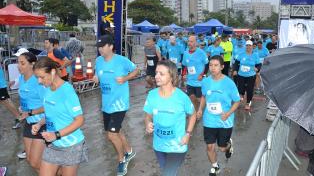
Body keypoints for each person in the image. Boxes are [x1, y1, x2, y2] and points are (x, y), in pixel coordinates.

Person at [32, 57, 88, 176]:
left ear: (52, 72)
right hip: (53, 144)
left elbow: (79, 120)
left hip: (71, 145)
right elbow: (51, 115)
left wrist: (56, 134)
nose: (39, 81)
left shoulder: (67, 91)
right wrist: (39, 124)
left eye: (42, 77)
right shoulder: (47, 90)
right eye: (37, 77)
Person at [93, 35, 139, 176]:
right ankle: (129, 151)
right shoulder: (98, 61)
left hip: (119, 104)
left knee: (111, 135)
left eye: (103, 46)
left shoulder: (121, 60)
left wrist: (125, 78)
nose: (100, 49)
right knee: (117, 131)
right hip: (106, 104)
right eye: (99, 47)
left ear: (111, 46)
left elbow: (136, 70)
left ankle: (122, 160)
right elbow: (98, 73)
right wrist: (96, 77)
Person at [144, 60, 196, 175]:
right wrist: (148, 123)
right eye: (156, 73)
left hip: (177, 146)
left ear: (171, 76)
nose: (156, 76)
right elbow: (148, 115)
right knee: (168, 172)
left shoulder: (182, 97)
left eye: (161, 74)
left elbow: (193, 114)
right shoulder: (152, 95)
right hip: (159, 146)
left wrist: (188, 133)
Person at [196, 56, 241, 176]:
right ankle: (215, 166)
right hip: (209, 120)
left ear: (222, 67)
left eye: (216, 65)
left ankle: (228, 146)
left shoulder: (229, 83)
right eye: (210, 65)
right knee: (210, 147)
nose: (213, 68)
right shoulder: (205, 81)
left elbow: (237, 101)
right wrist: (200, 109)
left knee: (221, 148)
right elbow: (204, 96)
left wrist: (228, 113)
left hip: (224, 120)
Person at [15, 50, 46, 173]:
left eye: (22, 63)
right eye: (18, 63)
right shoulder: (21, 78)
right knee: (30, 160)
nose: (18, 66)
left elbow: (49, 106)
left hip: (42, 123)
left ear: (32, 64)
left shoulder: (39, 81)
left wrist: (30, 112)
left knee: (35, 161)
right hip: (28, 122)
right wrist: (22, 108)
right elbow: (25, 97)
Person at [182, 35, 209, 114]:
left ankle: (200, 110)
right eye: (188, 41)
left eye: (191, 41)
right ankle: (195, 112)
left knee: (199, 99)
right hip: (190, 81)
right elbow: (184, 65)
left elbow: (207, 65)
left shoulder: (201, 52)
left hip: (199, 81)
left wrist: (202, 75)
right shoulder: (185, 53)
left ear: (196, 43)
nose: (189, 43)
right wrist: (183, 74)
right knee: (192, 98)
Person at [232, 40, 261, 112]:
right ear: (245, 46)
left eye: (250, 45)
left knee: (249, 89)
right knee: (240, 88)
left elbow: (259, 64)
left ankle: (248, 103)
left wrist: (257, 68)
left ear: (252, 47)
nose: (248, 47)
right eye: (247, 45)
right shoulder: (241, 54)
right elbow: (236, 63)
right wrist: (235, 70)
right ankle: (240, 97)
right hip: (241, 75)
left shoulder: (255, 55)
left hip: (251, 75)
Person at [0, 49, 22, 129]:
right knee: (5, 101)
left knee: (6, 101)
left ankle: (19, 117)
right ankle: (19, 116)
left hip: (0, 85)